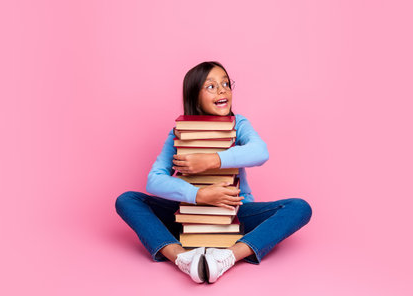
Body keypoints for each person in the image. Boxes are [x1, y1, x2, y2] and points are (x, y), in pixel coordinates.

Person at [115, 61, 312, 284]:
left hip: (235, 212)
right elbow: (154, 181)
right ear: (194, 95)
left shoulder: (238, 124)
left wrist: (211, 160)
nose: (222, 90)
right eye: (211, 86)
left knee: (299, 208)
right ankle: (182, 258)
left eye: (226, 83)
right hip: (187, 215)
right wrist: (199, 195)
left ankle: (227, 257)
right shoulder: (179, 133)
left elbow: (260, 152)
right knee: (127, 200)